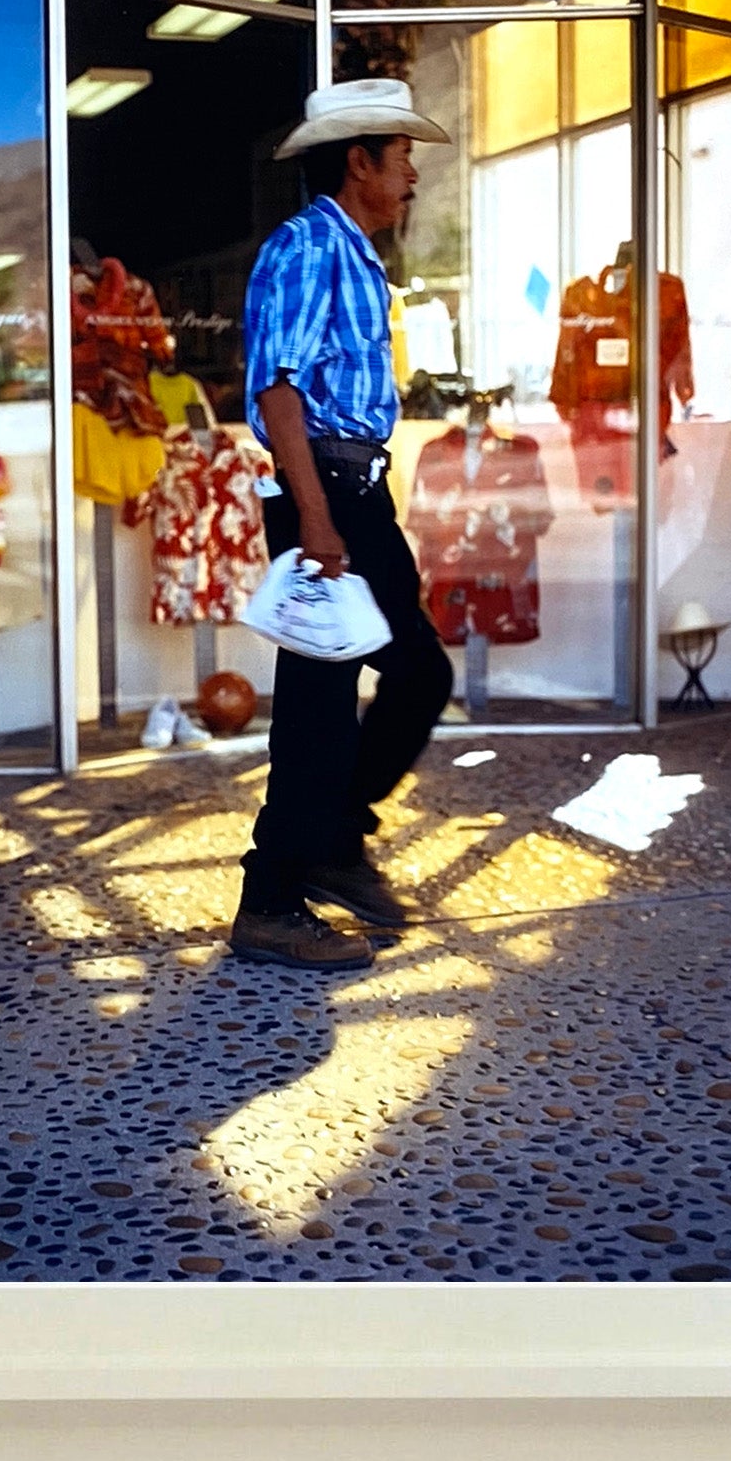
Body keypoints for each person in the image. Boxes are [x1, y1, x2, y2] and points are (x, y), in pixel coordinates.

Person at [231, 79, 456, 970]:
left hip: (354, 492)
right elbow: (277, 390)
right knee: (321, 709)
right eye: (402, 158)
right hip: (321, 495)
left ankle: (329, 840)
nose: (411, 177)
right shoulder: (304, 247)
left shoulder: (355, 253)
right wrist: (318, 525)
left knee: (414, 674)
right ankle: (273, 897)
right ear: (358, 160)